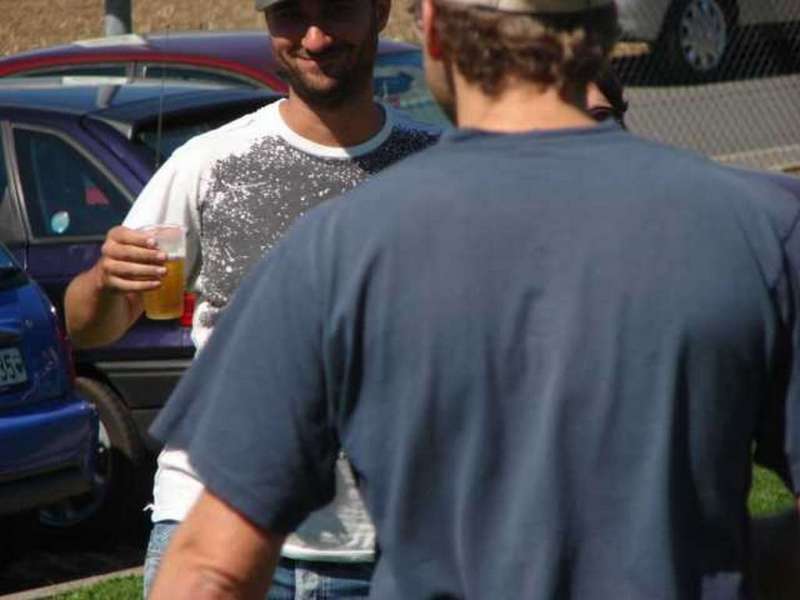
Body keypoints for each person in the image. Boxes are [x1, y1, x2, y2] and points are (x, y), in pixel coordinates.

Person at [148, 0, 800, 597]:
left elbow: (209, 568)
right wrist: (730, 560)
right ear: (602, 29)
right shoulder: (763, 228)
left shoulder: (337, 251)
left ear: (431, 26)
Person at [63, 0, 439, 596]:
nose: (314, 37)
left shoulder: (440, 165)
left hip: (392, 545)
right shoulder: (208, 162)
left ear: (380, 10)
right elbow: (89, 328)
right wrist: (105, 281)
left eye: (337, 10)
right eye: (291, 14)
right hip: (214, 527)